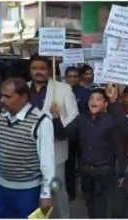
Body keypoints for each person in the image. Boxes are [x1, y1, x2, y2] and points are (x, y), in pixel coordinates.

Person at [0, 78, 55, 218]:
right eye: (1, 95)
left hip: (28, 192)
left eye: (7, 96)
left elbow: (47, 163)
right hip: (0, 188)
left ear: (23, 97)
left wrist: (46, 194)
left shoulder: (41, 122)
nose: (2, 100)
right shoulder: (1, 116)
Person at [28, 55, 79, 218]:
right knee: (34, 190)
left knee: (56, 189)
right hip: (29, 150)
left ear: (49, 70)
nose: (38, 72)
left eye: (42, 69)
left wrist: (57, 121)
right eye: (34, 68)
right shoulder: (23, 89)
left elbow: (73, 115)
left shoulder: (63, 89)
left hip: (55, 148)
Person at [65, 87, 126, 218]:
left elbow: (119, 147)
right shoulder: (80, 119)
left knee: (100, 208)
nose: (94, 101)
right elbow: (65, 135)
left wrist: (122, 172)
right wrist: (56, 118)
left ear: (105, 104)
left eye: (98, 99)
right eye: (91, 98)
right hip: (85, 171)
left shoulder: (111, 120)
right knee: (89, 206)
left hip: (103, 171)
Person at [64, 66, 91, 201]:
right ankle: (70, 192)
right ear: (65, 77)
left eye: (75, 77)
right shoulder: (60, 91)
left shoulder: (85, 93)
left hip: (82, 133)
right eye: (70, 76)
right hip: (66, 133)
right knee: (68, 164)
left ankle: (86, 190)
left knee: (83, 164)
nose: (73, 79)